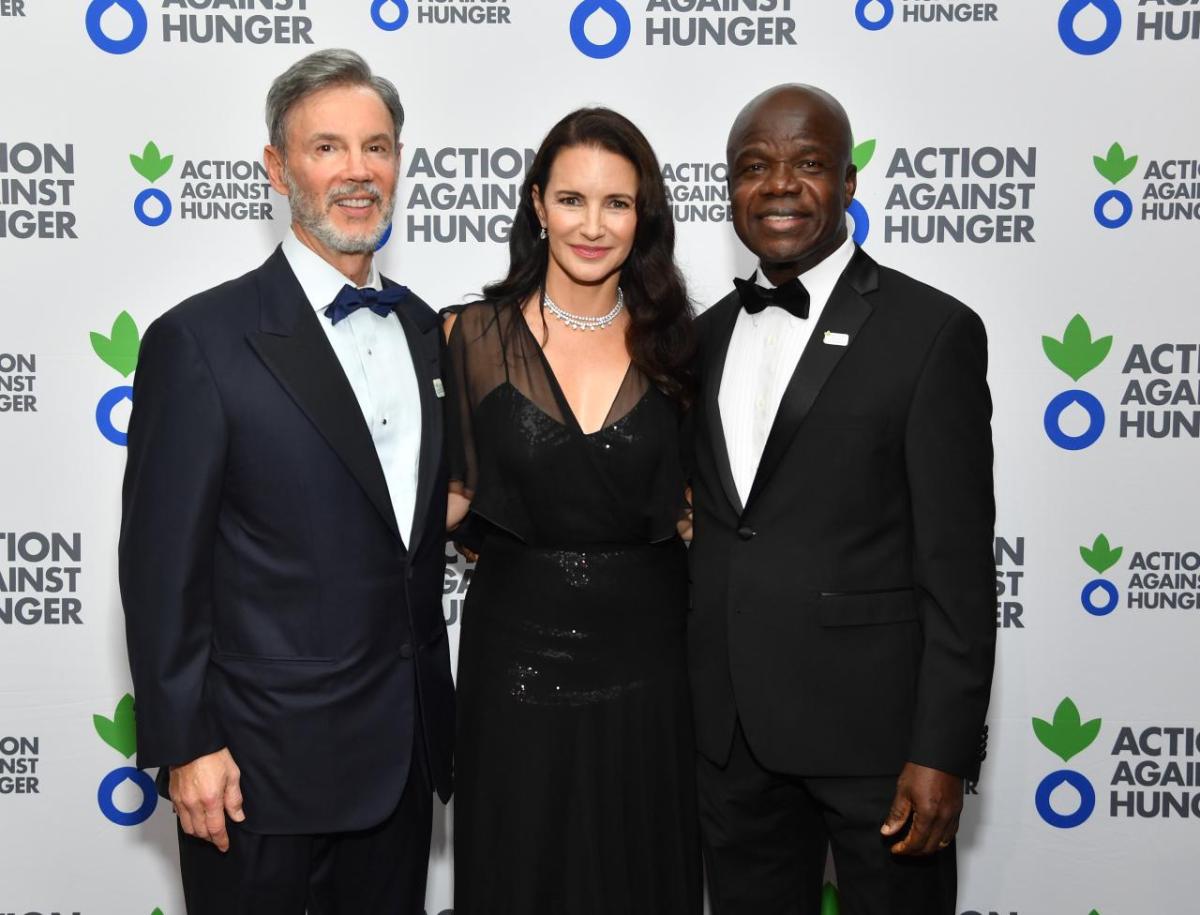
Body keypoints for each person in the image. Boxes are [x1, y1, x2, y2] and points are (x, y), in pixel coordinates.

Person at [118, 49, 453, 914]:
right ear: (277, 167)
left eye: (377, 148)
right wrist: (187, 745)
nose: (357, 172)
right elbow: (161, 573)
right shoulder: (199, 341)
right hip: (258, 771)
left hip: (404, 755)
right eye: (327, 148)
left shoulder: (425, 330)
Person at [687, 84, 996, 915]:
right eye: (755, 167)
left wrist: (943, 751)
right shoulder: (700, 339)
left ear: (851, 183)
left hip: (880, 747)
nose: (780, 185)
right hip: (732, 743)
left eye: (808, 164)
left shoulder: (931, 332)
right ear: (729, 191)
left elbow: (960, 572)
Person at [444, 107, 701, 914]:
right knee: (520, 870)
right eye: (571, 200)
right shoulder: (466, 336)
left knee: (641, 871)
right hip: (512, 663)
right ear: (535, 203)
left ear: (643, 215)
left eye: (616, 204)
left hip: (652, 665)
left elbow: (713, 507)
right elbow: (438, 504)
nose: (593, 225)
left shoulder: (686, 347)